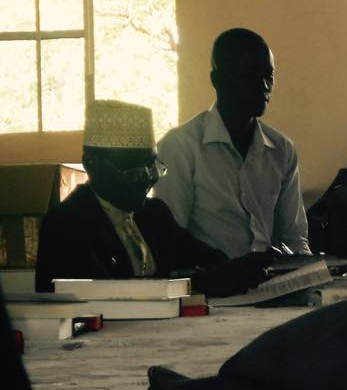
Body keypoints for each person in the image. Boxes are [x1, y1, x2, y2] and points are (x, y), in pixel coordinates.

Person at [35, 100, 273, 298]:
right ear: (91, 164)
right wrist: (198, 283)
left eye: (152, 166)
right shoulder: (67, 224)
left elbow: (213, 260)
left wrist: (239, 268)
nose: (147, 179)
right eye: (132, 169)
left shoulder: (153, 215)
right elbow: (107, 294)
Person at [153, 28, 311, 260]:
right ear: (217, 80)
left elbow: (294, 238)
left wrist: (309, 270)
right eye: (250, 75)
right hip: (209, 280)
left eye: (269, 75)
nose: (264, 85)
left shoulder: (282, 150)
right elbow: (170, 240)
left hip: (271, 279)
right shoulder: (180, 146)